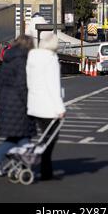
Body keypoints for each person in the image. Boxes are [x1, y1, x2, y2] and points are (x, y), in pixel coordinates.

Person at [0, 35, 36, 176]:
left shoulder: (8, 60)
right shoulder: (23, 60)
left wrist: (2, 99)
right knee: (24, 134)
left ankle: (5, 158)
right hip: (19, 104)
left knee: (17, 136)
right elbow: (22, 84)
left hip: (7, 103)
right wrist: (28, 102)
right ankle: (11, 161)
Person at [26, 32, 65, 180]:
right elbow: (53, 85)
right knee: (51, 138)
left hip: (34, 104)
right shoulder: (51, 59)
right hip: (48, 107)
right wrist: (60, 108)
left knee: (45, 136)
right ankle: (45, 170)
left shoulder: (32, 57)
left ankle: (43, 168)